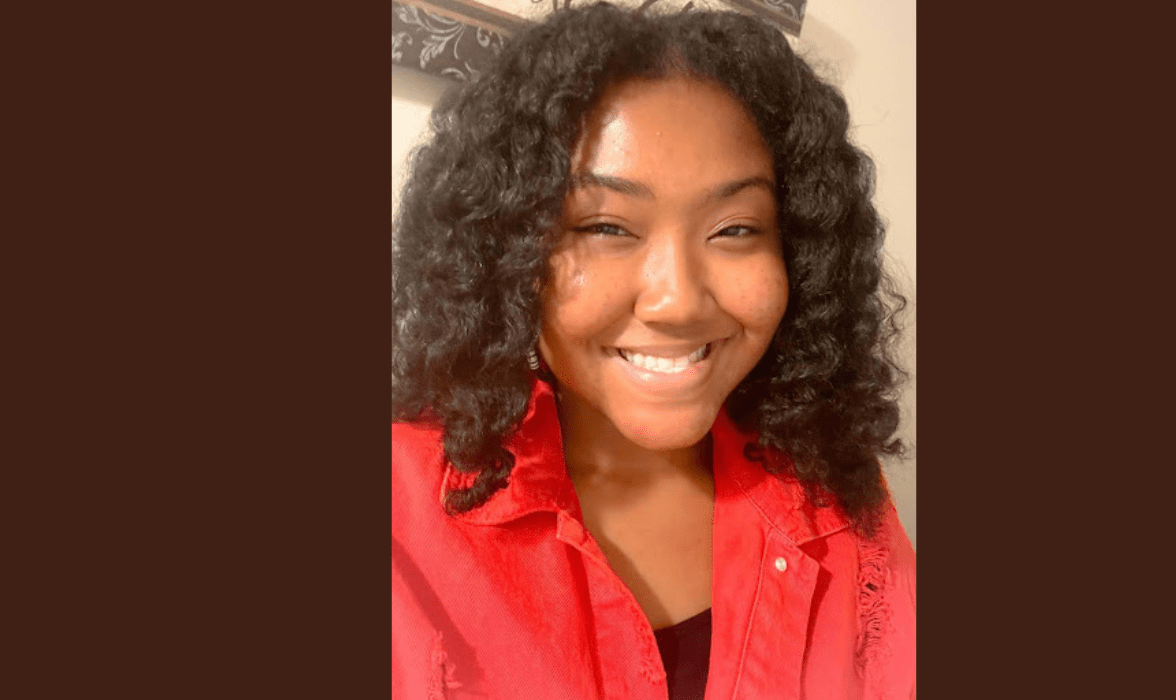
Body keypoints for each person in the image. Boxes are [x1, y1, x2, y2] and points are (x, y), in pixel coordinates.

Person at [391, 3, 914, 698]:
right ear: (511, 253)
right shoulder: (400, 522)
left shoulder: (835, 487)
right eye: (606, 226)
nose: (678, 301)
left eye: (734, 229)